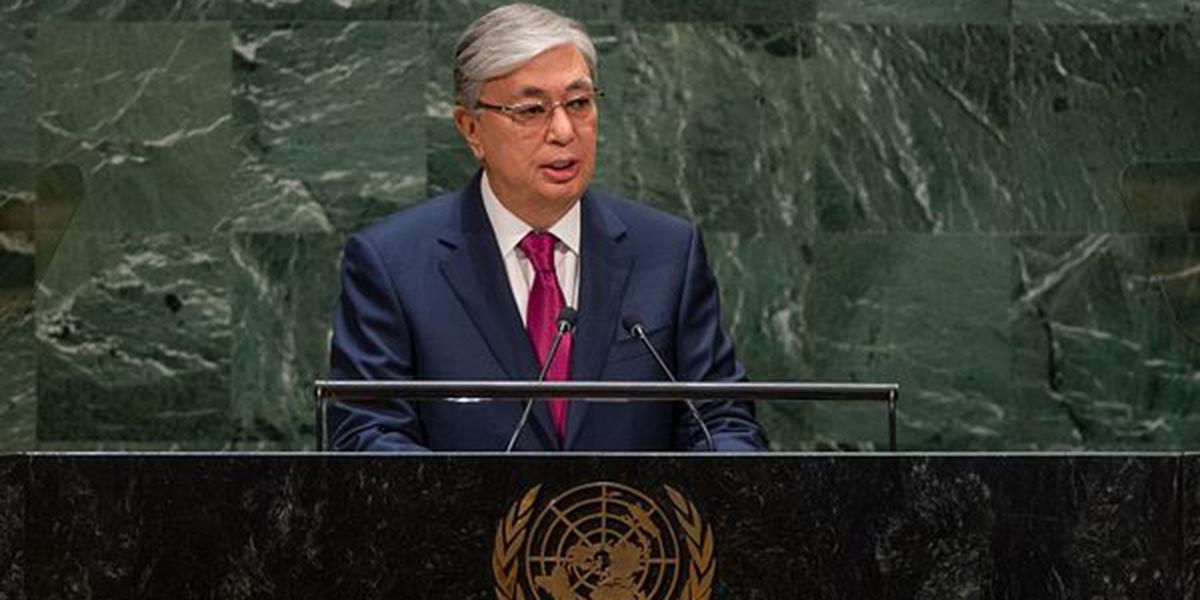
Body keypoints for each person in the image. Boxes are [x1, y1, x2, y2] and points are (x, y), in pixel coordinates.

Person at [327, 3, 767, 452]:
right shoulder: (393, 264)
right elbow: (369, 437)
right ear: (471, 128)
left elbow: (723, 422)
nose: (563, 130)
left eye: (578, 103)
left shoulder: (669, 253)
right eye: (531, 110)